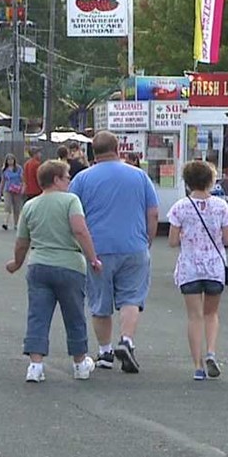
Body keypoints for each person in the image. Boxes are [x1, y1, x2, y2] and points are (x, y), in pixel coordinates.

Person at [69, 131, 159, 374]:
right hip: (134, 246)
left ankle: (105, 351)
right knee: (131, 298)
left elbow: (73, 215)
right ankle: (127, 340)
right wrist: (147, 240)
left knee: (100, 301)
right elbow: (153, 213)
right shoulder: (139, 176)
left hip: (97, 248)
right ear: (118, 148)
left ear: (93, 152)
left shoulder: (81, 179)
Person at [6, 160, 103, 383]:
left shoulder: (31, 205)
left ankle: (35, 365)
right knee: (74, 314)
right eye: (67, 177)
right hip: (69, 263)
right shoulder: (71, 201)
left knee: (38, 314)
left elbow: (22, 242)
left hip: (39, 263)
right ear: (57, 179)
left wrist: (16, 263)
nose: (69, 180)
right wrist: (93, 259)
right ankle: (80, 363)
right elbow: (80, 230)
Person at [167, 160, 228, 381]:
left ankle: (197, 366)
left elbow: (173, 241)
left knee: (194, 316)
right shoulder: (222, 207)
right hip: (214, 267)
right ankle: (211, 352)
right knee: (211, 314)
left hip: (190, 268)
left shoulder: (179, 208)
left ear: (187, 181)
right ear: (210, 181)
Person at [0, 154, 24, 231]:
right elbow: (3, 181)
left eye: (12, 159)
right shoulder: (5, 169)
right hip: (8, 189)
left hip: (17, 190)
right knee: (7, 206)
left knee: (17, 208)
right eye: (8, 160)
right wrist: (0, 192)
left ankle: (16, 224)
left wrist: (23, 187)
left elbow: (22, 179)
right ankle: (5, 223)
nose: (10, 161)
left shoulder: (19, 168)